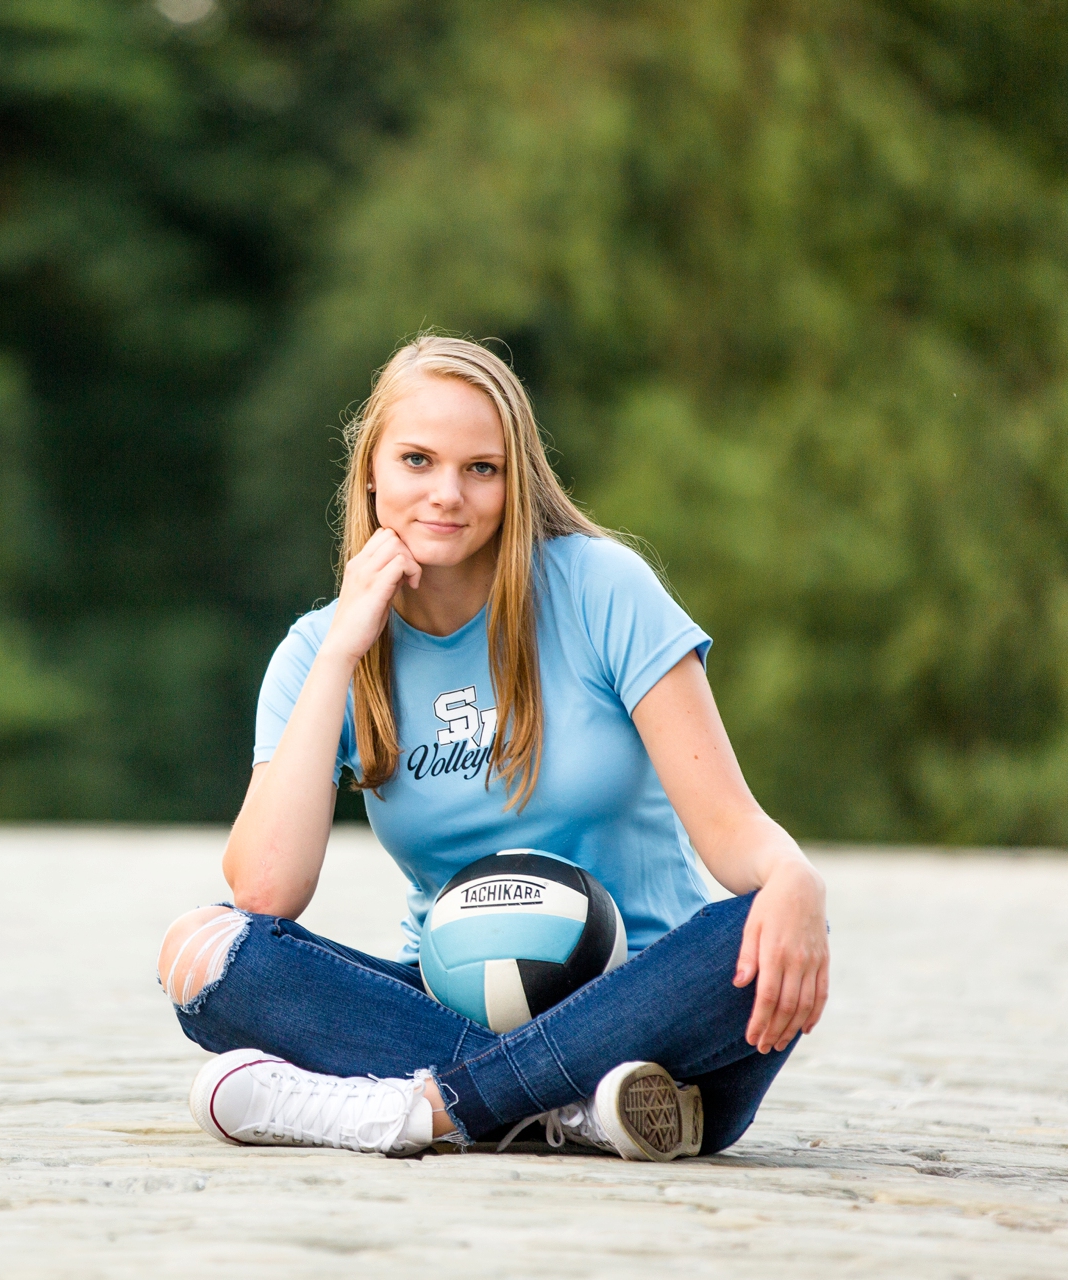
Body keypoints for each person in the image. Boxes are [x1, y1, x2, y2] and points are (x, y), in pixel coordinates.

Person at [156, 335, 830, 1160]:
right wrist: (341, 650)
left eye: (482, 467)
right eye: (416, 460)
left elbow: (732, 833)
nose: (447, 494)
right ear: (371, 471)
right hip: (464, 1011)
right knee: (207, 952)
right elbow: (265, 890)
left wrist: (793, 877)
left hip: (645, 1005)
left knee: (756, 940)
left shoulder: (601, 589)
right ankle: (563, 1109)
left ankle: (425, 1110)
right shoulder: (314, 651)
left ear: (518, 480)